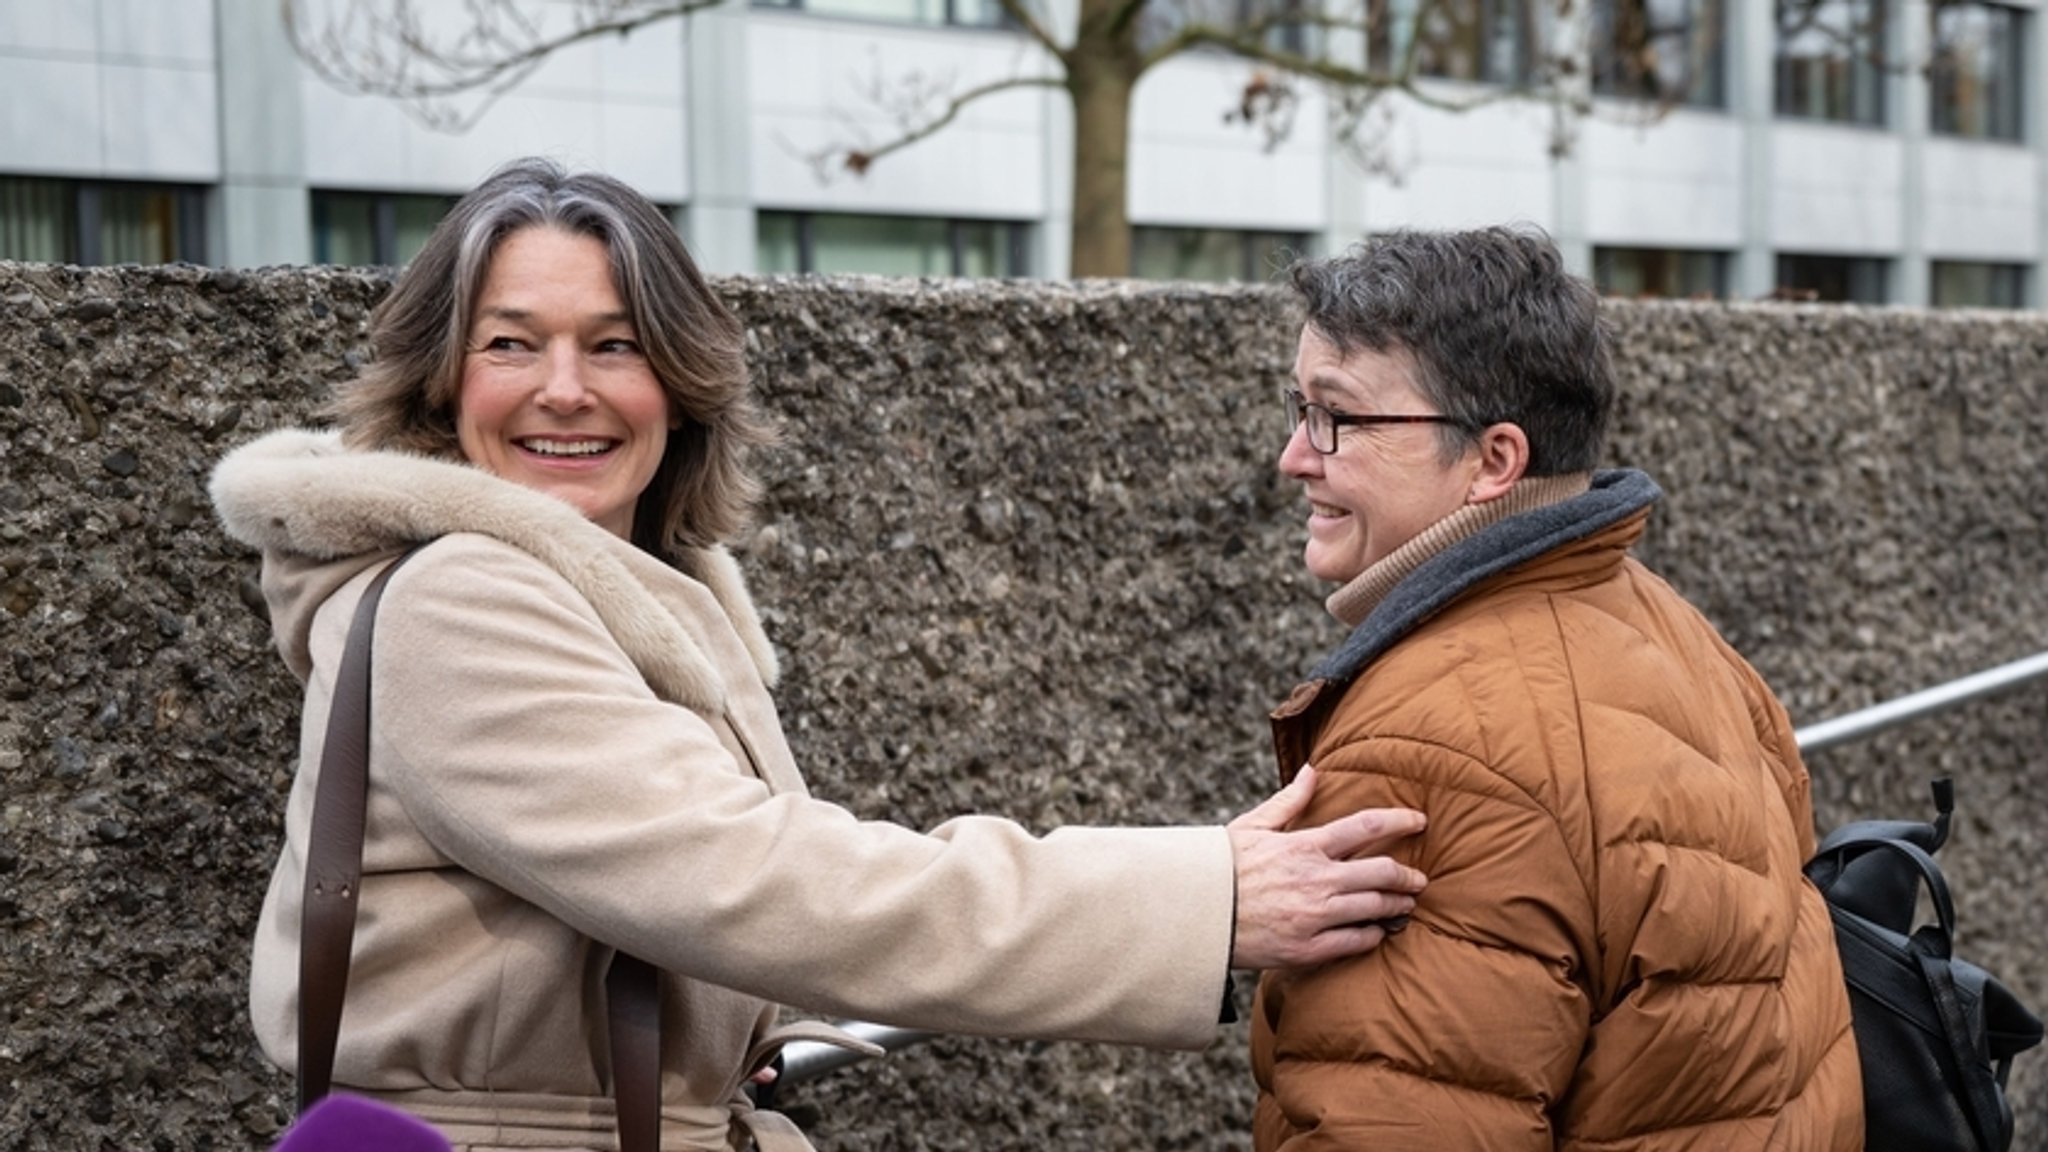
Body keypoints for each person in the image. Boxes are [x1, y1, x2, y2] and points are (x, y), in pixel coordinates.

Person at [207, 156, 1429, 1151]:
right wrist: (1194, 901)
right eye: (510, 345)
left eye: (615, 345)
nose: (564, 390)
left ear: (680, 385)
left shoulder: (650, 594)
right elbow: (750, 879)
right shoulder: (462, 597)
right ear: (440, 384)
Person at [1249, 227, 1863, 1150]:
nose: (1297, 456)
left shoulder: (1435, 745)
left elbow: (1399, 1118)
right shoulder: (1669, 628)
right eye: (1297, 408)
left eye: (1336, 418)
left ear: (1495, 461)